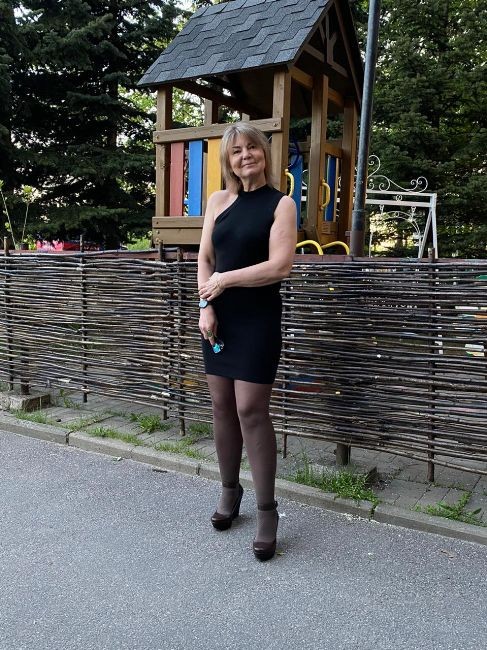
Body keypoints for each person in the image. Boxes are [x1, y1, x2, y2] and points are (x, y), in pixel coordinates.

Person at [197, 122, 297, 561]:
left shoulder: (281, 204)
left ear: (264, 153)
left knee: (251, 410)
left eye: (251, 148)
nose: (245, 156)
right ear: (228, 160)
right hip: (219, 319)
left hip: (257, 319)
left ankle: (267, 511)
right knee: (221, 406)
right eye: (236, 151)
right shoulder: (217, 201)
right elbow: (204, 258)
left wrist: (225, 281)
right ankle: (228, 491)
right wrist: (206, 305)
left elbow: (279, 266)